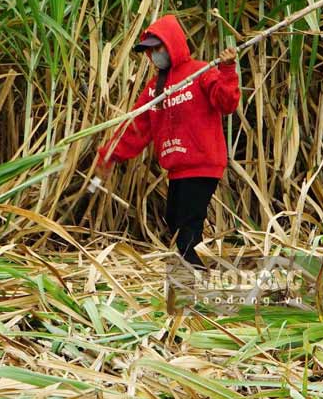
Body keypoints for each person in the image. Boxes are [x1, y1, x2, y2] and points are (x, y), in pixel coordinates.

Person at [94, 14, 240, 268]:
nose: (153, 56)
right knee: (172, 218)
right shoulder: (154, 89)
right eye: (149, 51)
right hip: (177, 169)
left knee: (187, 225)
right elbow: (136, 128)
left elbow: (226, 103)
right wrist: (109, 154)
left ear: (172, 44)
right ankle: (193, 269)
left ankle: (193, 276)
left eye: (157, 48)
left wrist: (227, 70)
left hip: (203, 164)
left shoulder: (200, 72)